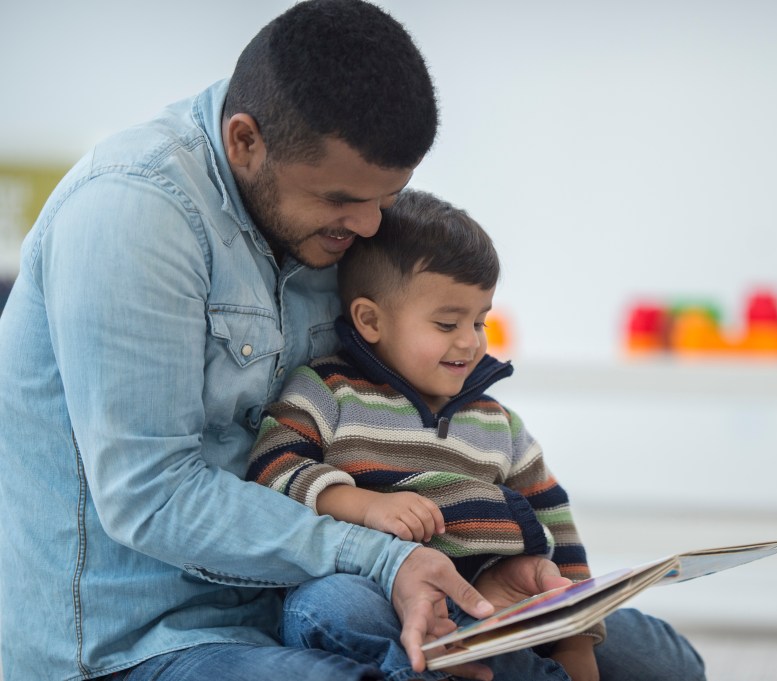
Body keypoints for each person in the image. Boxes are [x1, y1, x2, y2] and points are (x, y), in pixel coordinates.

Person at [0, 2, 510, 679]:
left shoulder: (331, 220)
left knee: (636, 649)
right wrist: (383, 558)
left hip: (292, 605)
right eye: (337, 200)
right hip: (128, 643)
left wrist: (498, 556)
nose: (366, 226)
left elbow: (381, 412)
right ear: (245, 141)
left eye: (385, 197)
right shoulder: (133, 212)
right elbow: (152, 495)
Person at [246, 189, 707, 681]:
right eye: (447, 323)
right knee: (329, 607)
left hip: (500, 602)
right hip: (379, 593)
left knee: (667, 659)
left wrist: (576, 634)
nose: (469, 340)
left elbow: (558, 530)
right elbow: (271, 469)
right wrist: (366, 505)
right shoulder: (327, 391)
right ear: (371, 320)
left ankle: (492, 657)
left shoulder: (498, 424)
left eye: (480, 320)